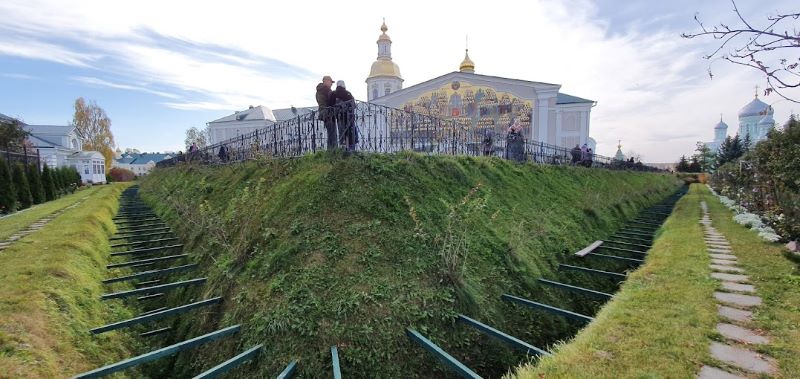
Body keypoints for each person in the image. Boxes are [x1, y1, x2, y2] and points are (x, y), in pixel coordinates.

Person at [330, 80, 358, 152]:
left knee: (342, 132)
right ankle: (351, 149)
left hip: (339, 117)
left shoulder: (333, 94)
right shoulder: (348, 93)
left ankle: (343, 148)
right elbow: (353, 105)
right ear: (344, 85)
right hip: (349, 117)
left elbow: (331, 105)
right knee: (350, 132)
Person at [316, 75, 337, 150]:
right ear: (326, 81)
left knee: (330, 133)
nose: (331, 84)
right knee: (332, 134)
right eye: (330, 82)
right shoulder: (326, 90)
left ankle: (331, 151)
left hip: (324, 113)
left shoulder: (320, 90)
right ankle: (333, 151)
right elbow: (331, 101)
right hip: (328, 113)